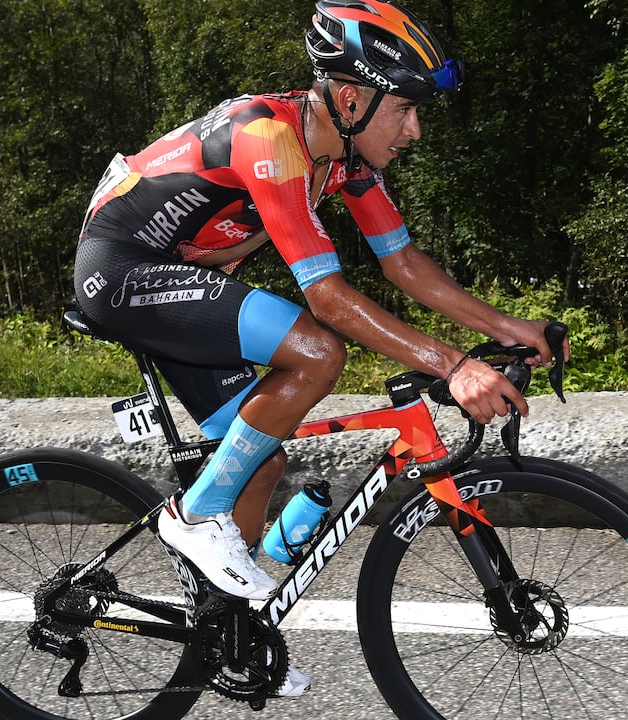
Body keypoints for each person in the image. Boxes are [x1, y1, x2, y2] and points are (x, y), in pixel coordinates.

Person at [72, 0, 562, 698]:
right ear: (354, 97)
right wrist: (453, 365)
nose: (415, 130)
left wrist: (511, 329)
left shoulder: (345, 161)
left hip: (185, 281)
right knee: (317, 351)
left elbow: (404, 264)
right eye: (406, 110)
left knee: (260, 460)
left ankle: (229, 638)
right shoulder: (268, 137)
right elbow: (326, 298)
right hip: (119, 271)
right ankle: (195, 515)